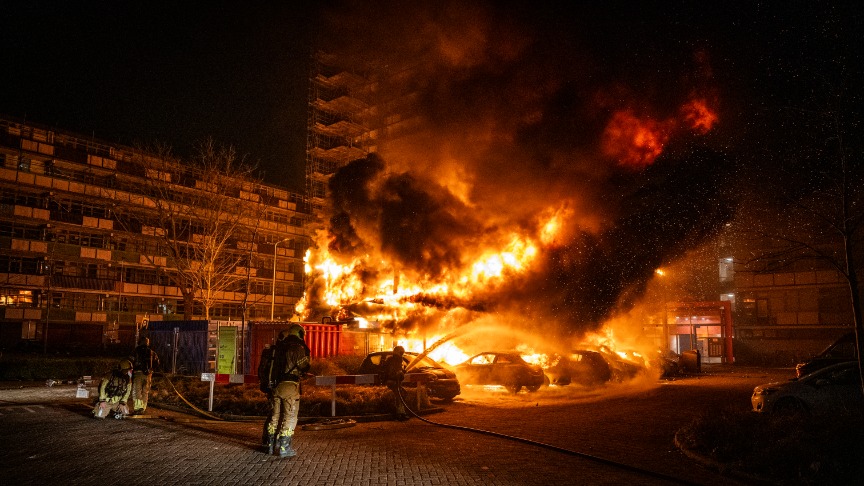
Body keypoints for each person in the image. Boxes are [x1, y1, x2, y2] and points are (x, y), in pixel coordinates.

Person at [264, 324, 311, 458]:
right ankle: (284, 447)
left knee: (275, 417)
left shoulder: (279, 348)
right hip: (290, 386)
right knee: (290, 417)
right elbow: (304, 366)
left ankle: (270, 446)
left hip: (276, 387)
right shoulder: (297, 348)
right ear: (300, 334)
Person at [131, 336, 161, 414]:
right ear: (147, 343)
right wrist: (151, 370)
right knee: (145, 392)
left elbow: (131, 361)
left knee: (137, 391)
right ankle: (143, 408)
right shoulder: (152, 352)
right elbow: (157, 362)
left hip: (138, 373)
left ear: (140, 342)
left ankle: (138, 408)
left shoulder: (136, 351)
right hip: (148, 375)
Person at [257, 343, 276, 453]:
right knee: (275, 413)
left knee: (273, 413)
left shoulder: (270, 353)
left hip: (269, 387)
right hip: (276, 388)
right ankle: (269, 439)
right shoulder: (277, 353)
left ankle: (267, 438)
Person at [383, 345, 408, 421]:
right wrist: (400, 373)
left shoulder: (392, 359)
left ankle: (401, 413)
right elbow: (394, 372)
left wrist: (401, 372)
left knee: (403, 394)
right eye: (401, 352)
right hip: (392, 381)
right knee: (399, 396)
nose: (402, 354)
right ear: (398, 352)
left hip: (393, 381)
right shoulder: (396, 359)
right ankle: (399, 414)